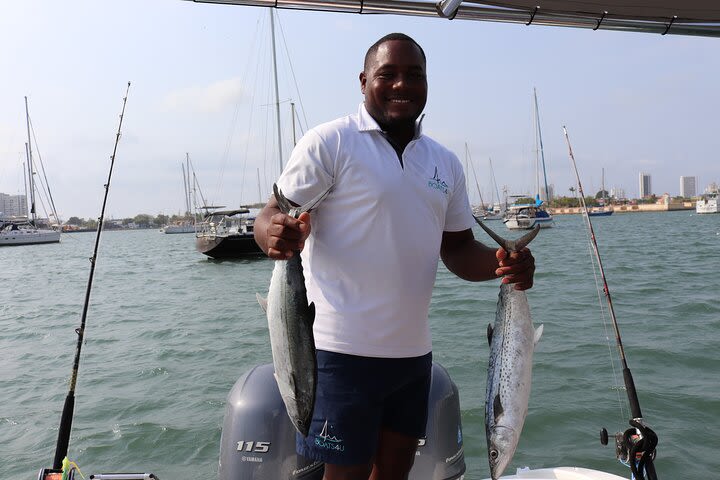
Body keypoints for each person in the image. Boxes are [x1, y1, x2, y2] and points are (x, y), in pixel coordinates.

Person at [254, 32, 535, 480]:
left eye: (414, 75)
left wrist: (505, 264)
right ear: (364, 80)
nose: (401, 84)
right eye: (388, 74)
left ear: (427, 83)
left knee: (394, 475)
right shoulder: (331, 142)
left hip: (412, 358)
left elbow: (460, 250)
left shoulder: (445, 163)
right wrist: (271, 234)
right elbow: (271, 213)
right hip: (338, 352)